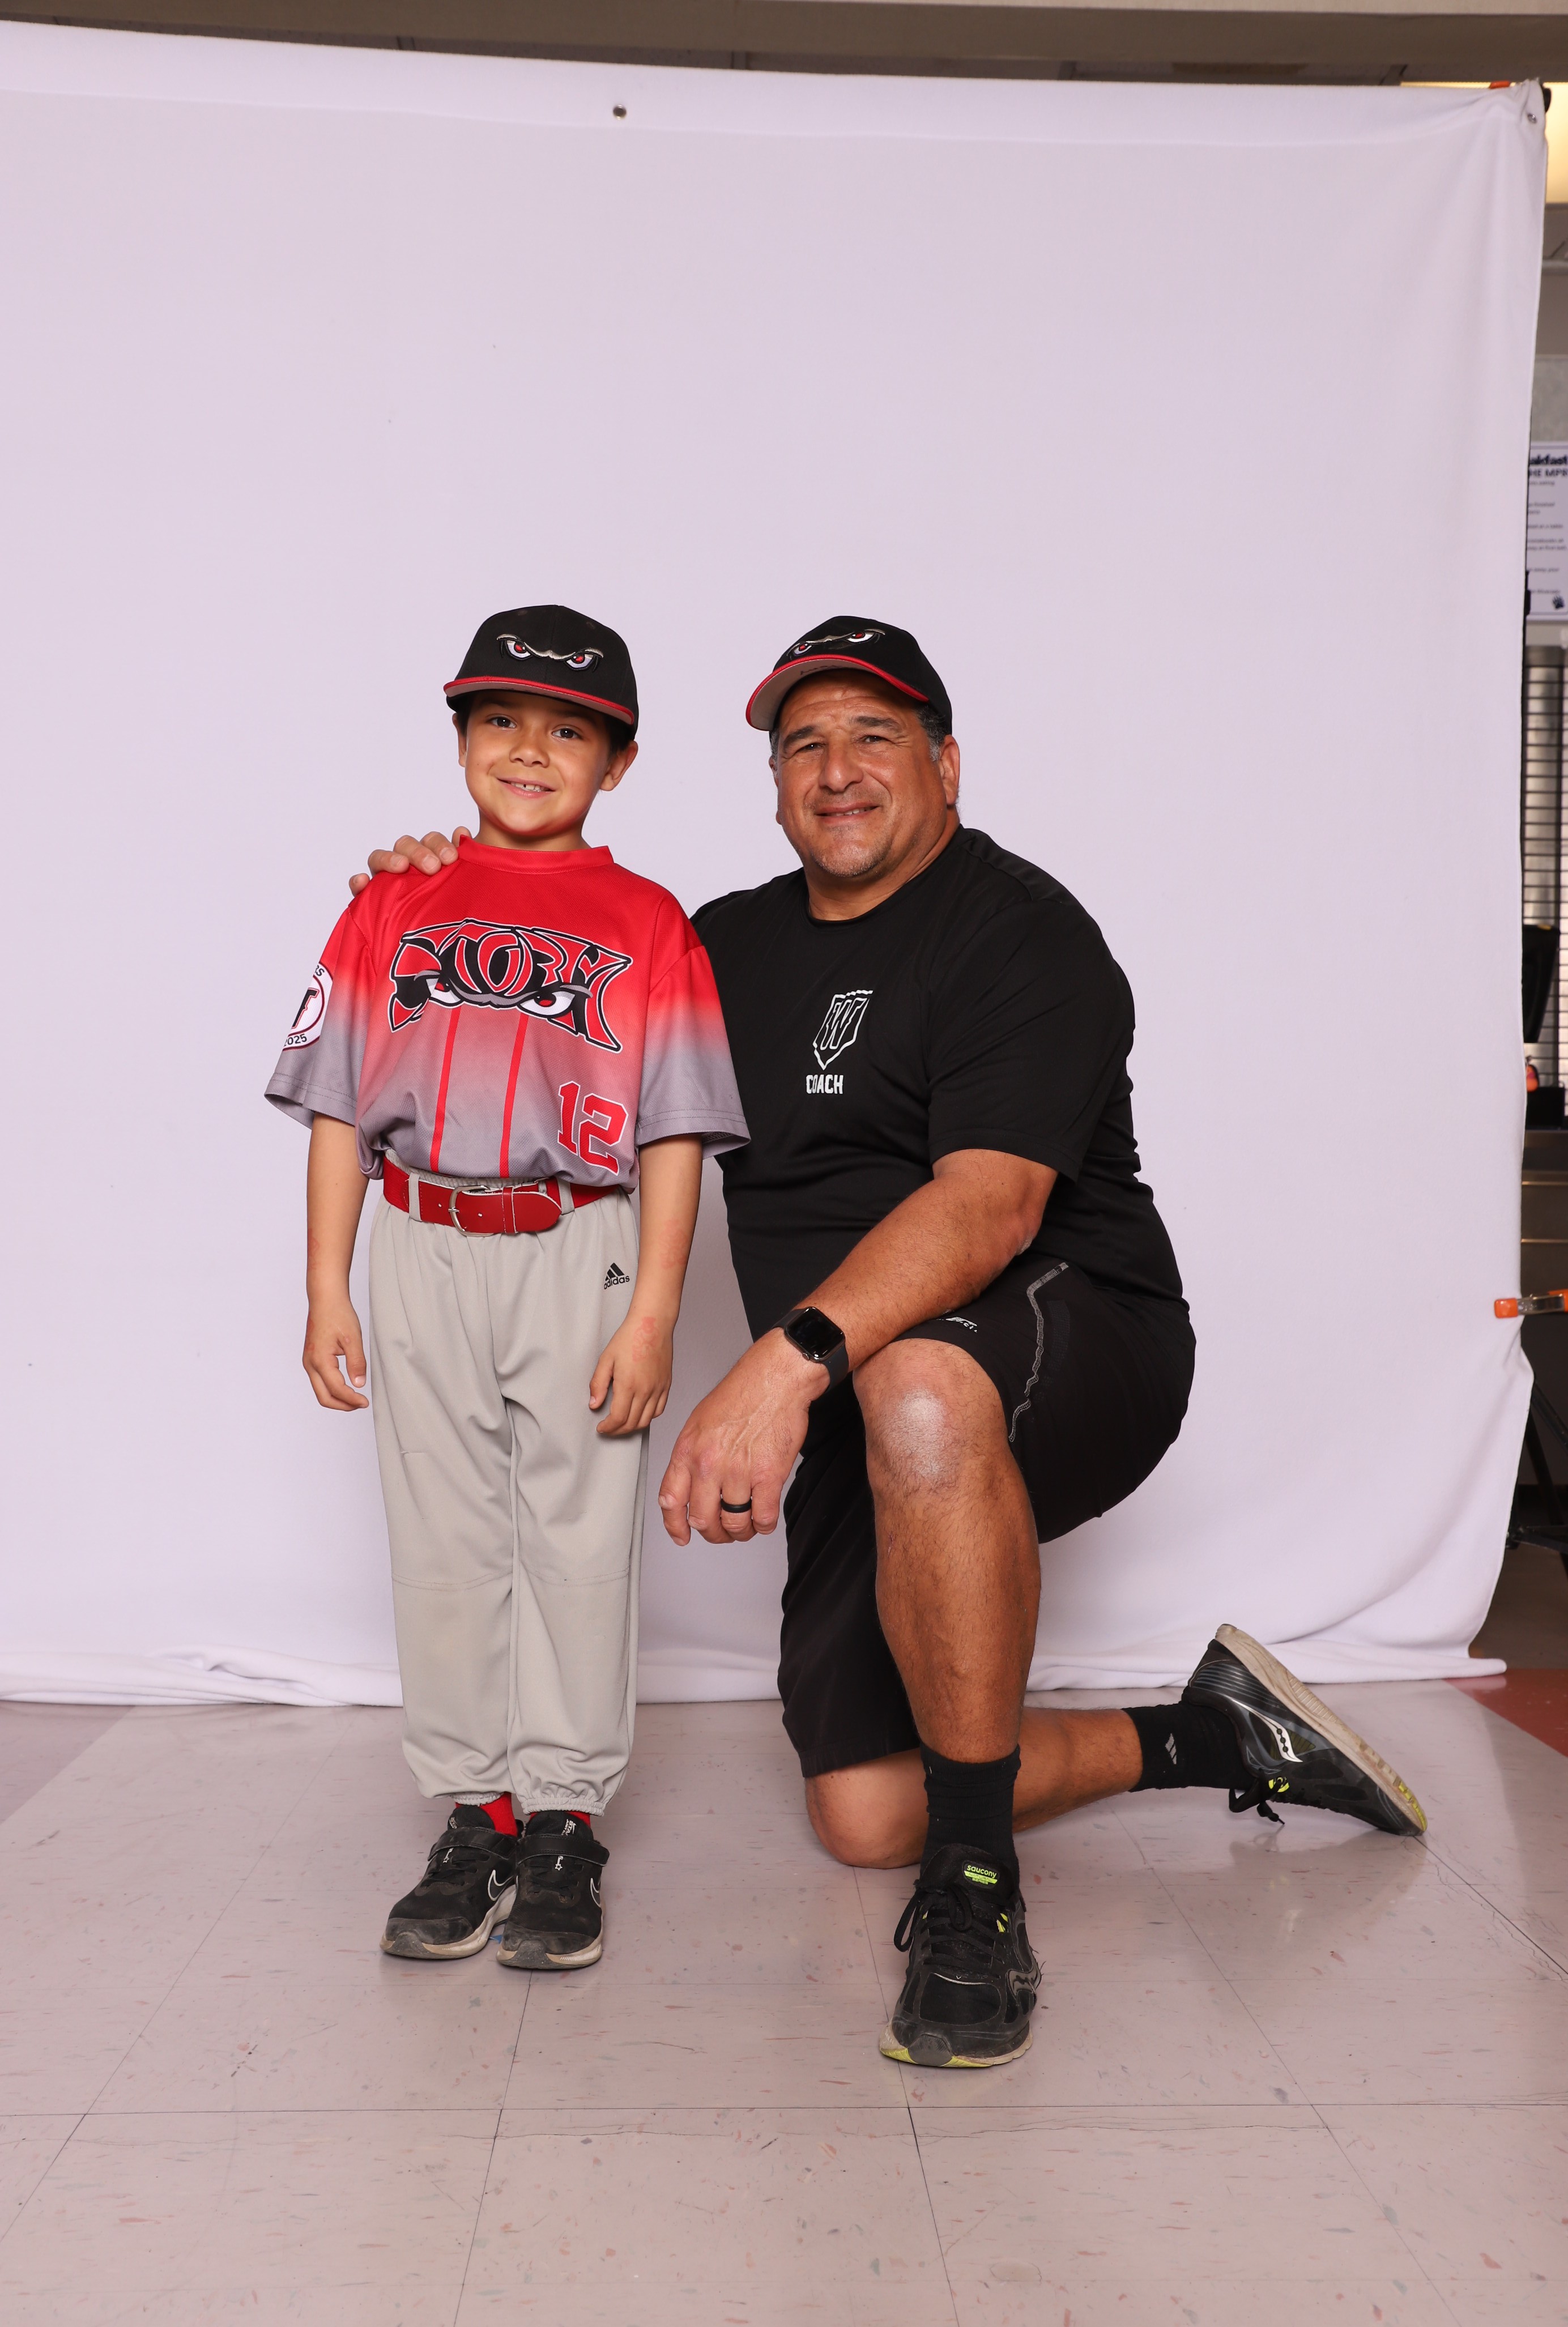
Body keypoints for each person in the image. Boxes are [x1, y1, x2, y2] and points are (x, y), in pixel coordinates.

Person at [354, 614, 1425, 2069]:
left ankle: (977, 1892)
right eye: (802, 744)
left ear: (947, 764)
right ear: (771, 783)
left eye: (874, 736)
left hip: (1070, 1336)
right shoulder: (720, 946)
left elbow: (988, 1205)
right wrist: (449, 884)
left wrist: (780, 1366)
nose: (836, 770)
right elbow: (538, 985)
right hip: (856, 1394)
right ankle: (1213, 1735)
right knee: (861, 1812)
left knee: (919, 1382)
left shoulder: (1022, 931)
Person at [269, 605, 745, 1974]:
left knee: (579, 1537)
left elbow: (672, 1133)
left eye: (567, 730)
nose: (529, 749)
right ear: (460, 736)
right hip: (419, 1235)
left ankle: (564, 1818)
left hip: (578, 1241)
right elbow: (338, 1111)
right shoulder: (390, 900)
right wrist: (327, 1285)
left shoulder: (648, 920)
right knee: (443, 1534)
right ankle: (474, 1811)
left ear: (620, 761)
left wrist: (654, 1313)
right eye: (499, 720)